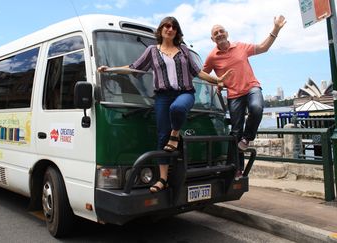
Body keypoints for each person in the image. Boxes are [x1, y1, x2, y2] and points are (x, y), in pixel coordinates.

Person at [98, 16, 232, 193]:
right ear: (161, 30)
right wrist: (110, 70)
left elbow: (198, 73)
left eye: (173, 27)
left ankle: (175, 135)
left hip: (184, 92)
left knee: (177, 108)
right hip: (162, 96)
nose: (170, 29)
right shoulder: (153, 51)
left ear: (176, 32)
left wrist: (217, 80)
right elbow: (134, 67)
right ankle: (162, 179)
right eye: (167, 26)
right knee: (162, 137)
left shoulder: (183, 50)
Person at [202, 15, 286, 176]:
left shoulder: (240, 47)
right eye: (215, 33)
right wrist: (217, 82)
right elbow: (202, 75)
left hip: (251, 88)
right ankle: (236, 169)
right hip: (234, 95)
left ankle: (247, 139)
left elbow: (263, 47)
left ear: (226, 33)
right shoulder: (212, 57)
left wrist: (276, 28)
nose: (219, 34)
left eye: (221, 31)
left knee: (256, 108)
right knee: (235, 132)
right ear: (212, 39)